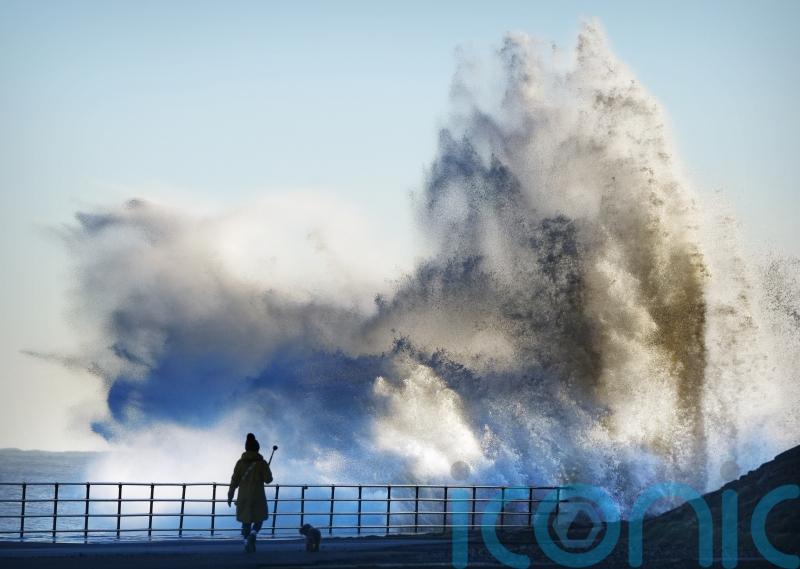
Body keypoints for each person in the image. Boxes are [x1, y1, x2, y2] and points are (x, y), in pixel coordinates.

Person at [227, 433, 273, 553]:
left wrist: (230, 495)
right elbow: (268, 480)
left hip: (244, 497)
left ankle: (247, 542)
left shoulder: (240, 463)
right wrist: (266, 469)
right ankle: (253, 533)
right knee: (259, 520)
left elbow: (234, 480)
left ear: (246, 448)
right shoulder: (262, 463)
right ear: (257, 449)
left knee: (246, 522)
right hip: (258, 497)